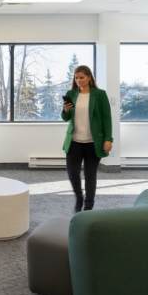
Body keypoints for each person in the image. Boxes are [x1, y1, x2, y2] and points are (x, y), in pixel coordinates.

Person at [61, 65, 113, 213]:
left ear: (89, 77)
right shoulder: (71, 94)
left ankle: (88, 205)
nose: (79, 80)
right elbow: (66, 118)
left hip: (93, 143)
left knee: (90, 176)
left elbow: (106, 118)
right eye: (76, 78)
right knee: (72, 173)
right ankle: (79, 197)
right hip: (74, 142)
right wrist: (65, 110)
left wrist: (109, 139)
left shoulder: (100, 94)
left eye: (82, 77)